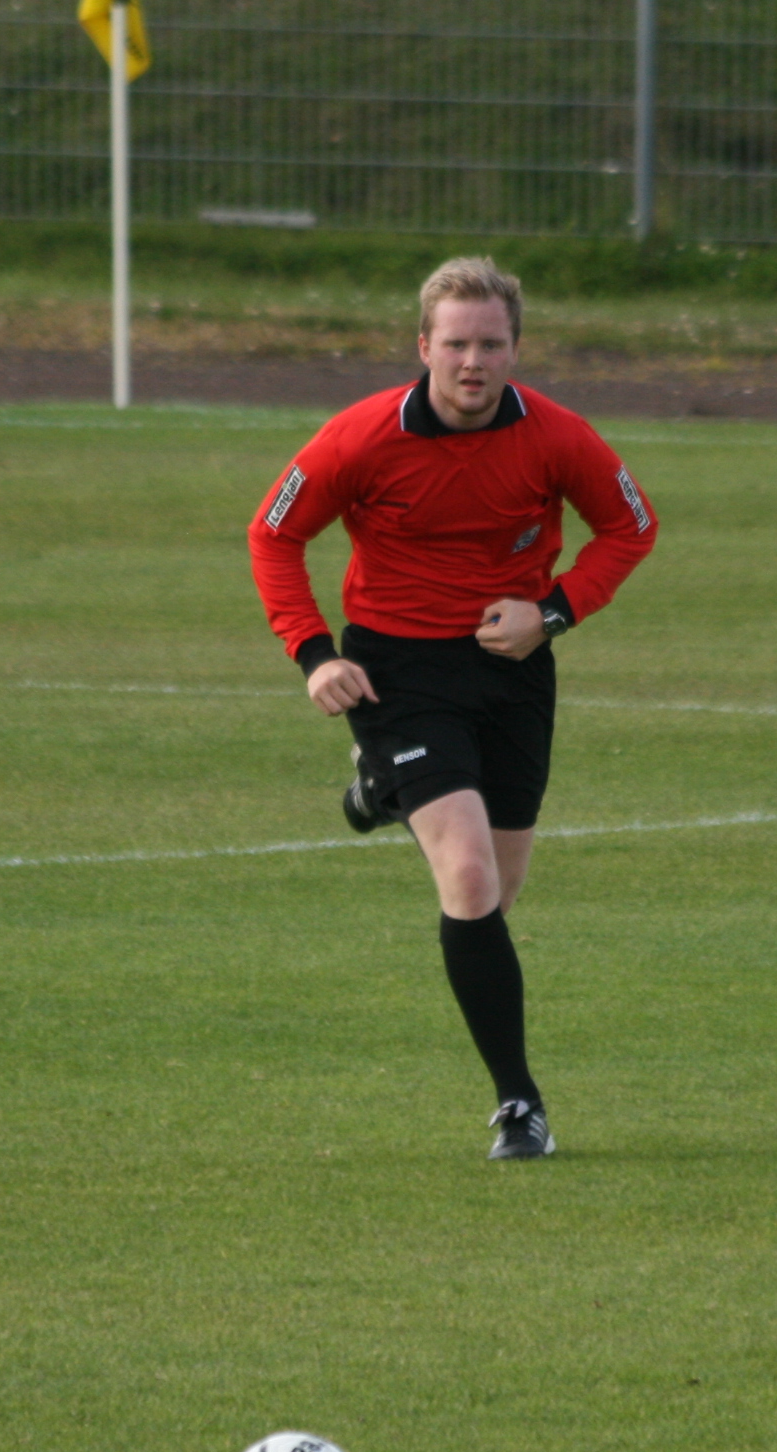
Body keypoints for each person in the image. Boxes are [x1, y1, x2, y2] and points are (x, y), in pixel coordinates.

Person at [248, 256, 659, 1161]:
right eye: (457, 343)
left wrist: (552, 613)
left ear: (516, 349)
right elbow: (274, 534)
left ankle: (380, 790)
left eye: (492, 344)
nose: (474, 361)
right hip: (398, 673)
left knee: (496, 897)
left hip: (512, 671)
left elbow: (632, 525)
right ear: (423, 346)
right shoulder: (358, 437)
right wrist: (314, 654)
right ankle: (520, 1105)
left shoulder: (558, 435)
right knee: (468, 879)